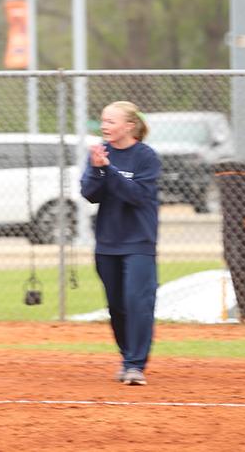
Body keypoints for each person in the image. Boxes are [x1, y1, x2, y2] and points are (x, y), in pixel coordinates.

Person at [81, 101, 161, 387]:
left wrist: (109, 170)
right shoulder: (99, 153)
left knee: (137, 302)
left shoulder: (146, 157)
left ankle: (135, 365)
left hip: (139, 240)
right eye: (103, 121)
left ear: (129, 125)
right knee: (117, 305)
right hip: (107, 242)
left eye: (111, 121)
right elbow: (90, 194)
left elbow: (137, 195)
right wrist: (98, 169)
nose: (105, 126)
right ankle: (127, 356)